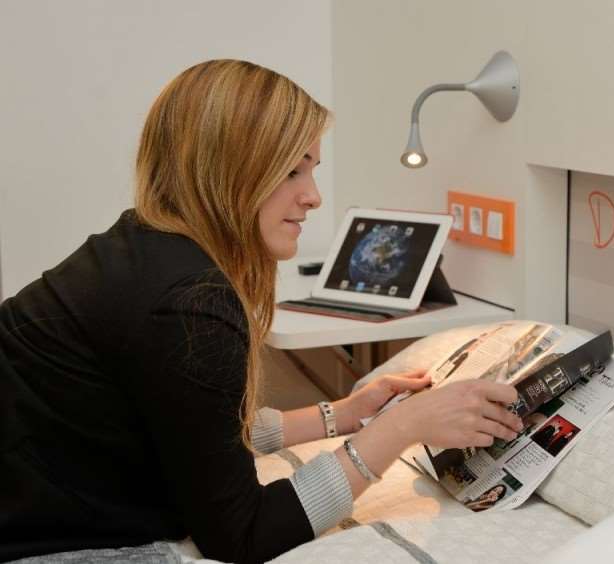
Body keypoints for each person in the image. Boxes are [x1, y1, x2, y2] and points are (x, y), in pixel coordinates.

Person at [0, 60, 524, 563]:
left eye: (312, 169)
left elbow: (194, 430)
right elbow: (242, 537)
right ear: (227, 170)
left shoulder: (141, 244)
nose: (313, 196)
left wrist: (343, 415)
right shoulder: (189, 301)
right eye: (292, 171)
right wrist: (401, 427)